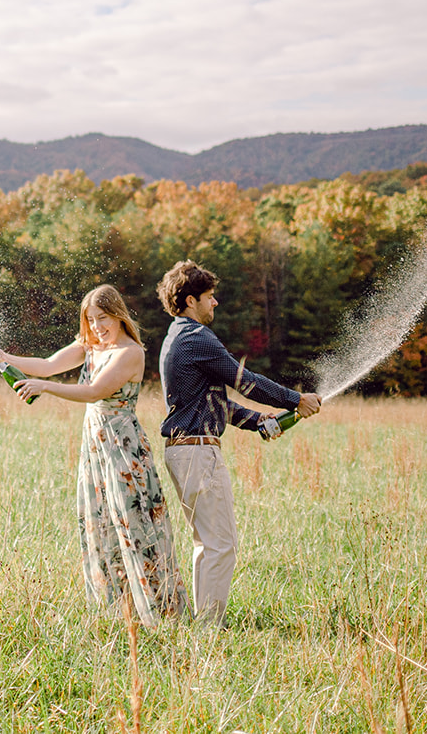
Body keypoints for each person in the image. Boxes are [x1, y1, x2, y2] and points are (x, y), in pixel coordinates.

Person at [0, 285, 188, 626]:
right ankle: (118, 611)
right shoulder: (90, 345)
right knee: (101, 522)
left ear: (118, 315)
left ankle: (161, 613)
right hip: (95, 446)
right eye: (91, 320)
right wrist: (7, 358)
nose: (96, 327)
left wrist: (45, 388)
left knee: (133, 522)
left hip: (122, 446)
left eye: (102, 318)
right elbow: (48, 365)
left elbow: (94, 391)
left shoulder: (130, 353)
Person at [156, 259, 322, 627]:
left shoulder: (176, 337)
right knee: (222, 545)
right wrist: (296, 400)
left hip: (185, 450)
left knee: (207, 544)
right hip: (198, 451)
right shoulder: (196, 337)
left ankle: (204, 624)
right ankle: (210, 629)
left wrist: (257, 421)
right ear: (189, 300)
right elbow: (244, 380)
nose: (215, 302)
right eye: (209, 296)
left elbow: (214, 402)